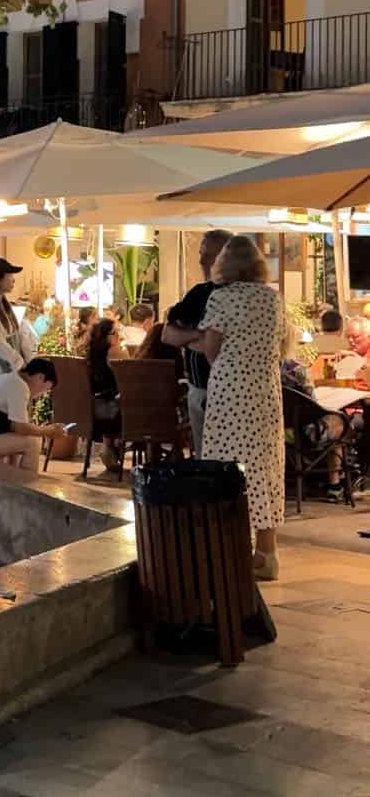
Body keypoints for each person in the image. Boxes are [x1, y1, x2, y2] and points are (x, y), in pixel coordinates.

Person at [191, 235, 287, 581]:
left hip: (230, 389)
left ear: (224, 264)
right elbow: (282, 343)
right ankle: (267, 552)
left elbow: (211, 348)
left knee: (227, 464)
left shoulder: (222, 297)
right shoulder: (273, 299)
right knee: (265, 464)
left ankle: (230, 547)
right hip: (265, 389)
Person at [163, 229, 232, 457]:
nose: (202, 260)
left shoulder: (235, 296)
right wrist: (197, 336)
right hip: (198, 388)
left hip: (228, 391)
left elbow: (218, 343)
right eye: (201, 253)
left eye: (208, 254)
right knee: (205, 453)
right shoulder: (198, 293)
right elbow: (168, 335)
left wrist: (198, 338)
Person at [86, 317, 124, 473]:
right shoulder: (114, 352)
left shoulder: (91, 354)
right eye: (115, 333)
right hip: (112, 410)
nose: (119, 336)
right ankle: (114, 447)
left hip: (94, 408)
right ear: (107, 336)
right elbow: (127, 378)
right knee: (139, 403)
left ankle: (110, 447)